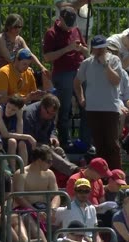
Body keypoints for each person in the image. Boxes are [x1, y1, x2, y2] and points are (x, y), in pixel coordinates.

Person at [43, 6, 90, 149]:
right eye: (67, 24)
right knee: (64, 108)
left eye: (72, 24)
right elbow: (47, 57)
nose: (70, 28)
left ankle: (85, 140)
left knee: (86, 106)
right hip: (63, 73)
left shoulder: (76, 31)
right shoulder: (51, 33)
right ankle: (65, 141)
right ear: (60, 19)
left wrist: (81, 49)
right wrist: (67, 49)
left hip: (80, 71)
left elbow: (87, 52)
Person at [74, 35, 123, 169]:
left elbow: (116, 81)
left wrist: (106, 65)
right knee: (99, 144)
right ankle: (103, 175)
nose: (100, 51)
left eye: (102, 48)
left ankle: (117, 174)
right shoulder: (87, 63)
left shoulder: (114, 60)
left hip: (110, 109)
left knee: (112, 144)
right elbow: (77, 82)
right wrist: (81, 98)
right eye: (97, 49)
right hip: (93, 109)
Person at [12, 145, 60, 242]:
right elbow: (19, 198)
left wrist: (52, 209)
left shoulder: (50, 174)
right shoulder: (21, 174)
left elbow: (56, 195)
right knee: (29, 216)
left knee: (66, 213)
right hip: (27, 209)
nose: (51, 164)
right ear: (39, 160)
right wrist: (36, 211)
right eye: (49, 161)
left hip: (47, 208)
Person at [23, 94, 79, 177]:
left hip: (44, 143)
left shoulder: (50, 112)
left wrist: (53, 137)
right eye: (49, 113)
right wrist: (46, 146)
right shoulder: (29, 115)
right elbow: (29, 142)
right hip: (30, 147)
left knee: (59, 150)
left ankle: (71, 176)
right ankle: (75, 171)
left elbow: (52, 128)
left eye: (53, 114)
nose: (51, 116)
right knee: (47, 151)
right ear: (42, 106)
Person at [0, 95, 35, 171]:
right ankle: (13, 171)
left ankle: (23, 171)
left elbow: (19, 133)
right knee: (12, 141)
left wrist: (19, 118)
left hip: (10, 138)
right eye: (8, 107)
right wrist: (28, 137)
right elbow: (4, 134)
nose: (9, 110)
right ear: (6, 103)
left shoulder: (18, 113)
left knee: (22, 143)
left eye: (13, 110)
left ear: (18, 110)